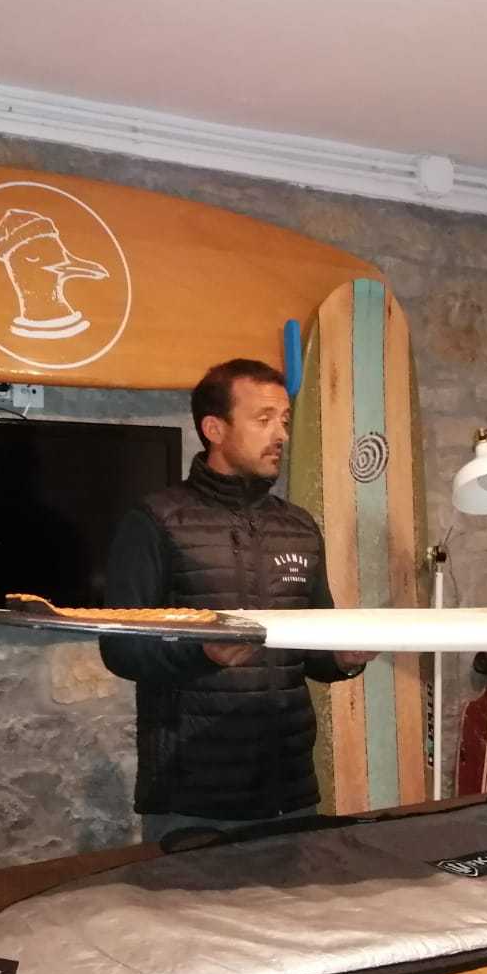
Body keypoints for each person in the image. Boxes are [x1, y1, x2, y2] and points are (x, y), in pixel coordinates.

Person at [99, 358, 374, 842]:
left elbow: (315, 652)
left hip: (290, 790)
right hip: (192, 798)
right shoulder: (155, 521)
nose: (281, 434)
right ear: (215, 429)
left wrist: (345, 660)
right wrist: (202, 653)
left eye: (284, 419)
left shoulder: (298, 526)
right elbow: (120, 648)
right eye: (263, 419)